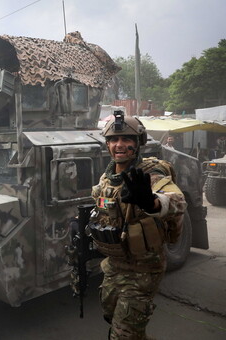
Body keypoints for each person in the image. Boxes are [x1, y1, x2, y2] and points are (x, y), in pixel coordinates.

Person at [92, 112, 186, 339]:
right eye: (114, 140)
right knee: (111, 315)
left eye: (126, 139)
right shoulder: (107, 178)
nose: (119, 145)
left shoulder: (150, 173)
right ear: (107, 145)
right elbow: (103, 208)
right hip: (114, 265)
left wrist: (151, 202)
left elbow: (178, 202)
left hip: (143, 267)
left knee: (123, 334)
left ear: (138, 143)